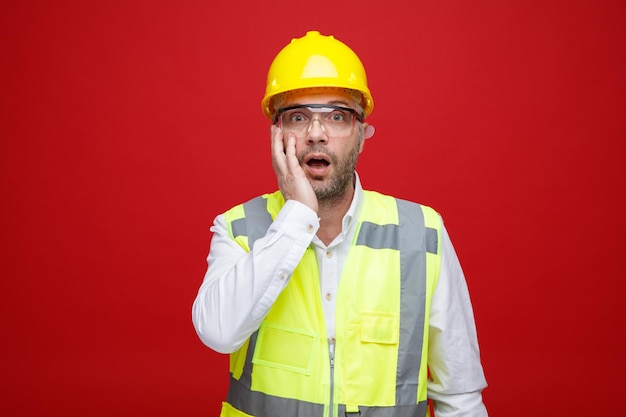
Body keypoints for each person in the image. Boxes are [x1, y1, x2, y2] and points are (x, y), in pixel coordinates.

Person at [192, 30, 488, 417]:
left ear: (363, 136)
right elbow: (218, 333)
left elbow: (460, 398)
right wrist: (297, 215)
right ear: (277, 136)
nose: (316, 134)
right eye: (298, 117)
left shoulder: (424, 234)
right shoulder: (239, 229)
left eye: (337, 116)